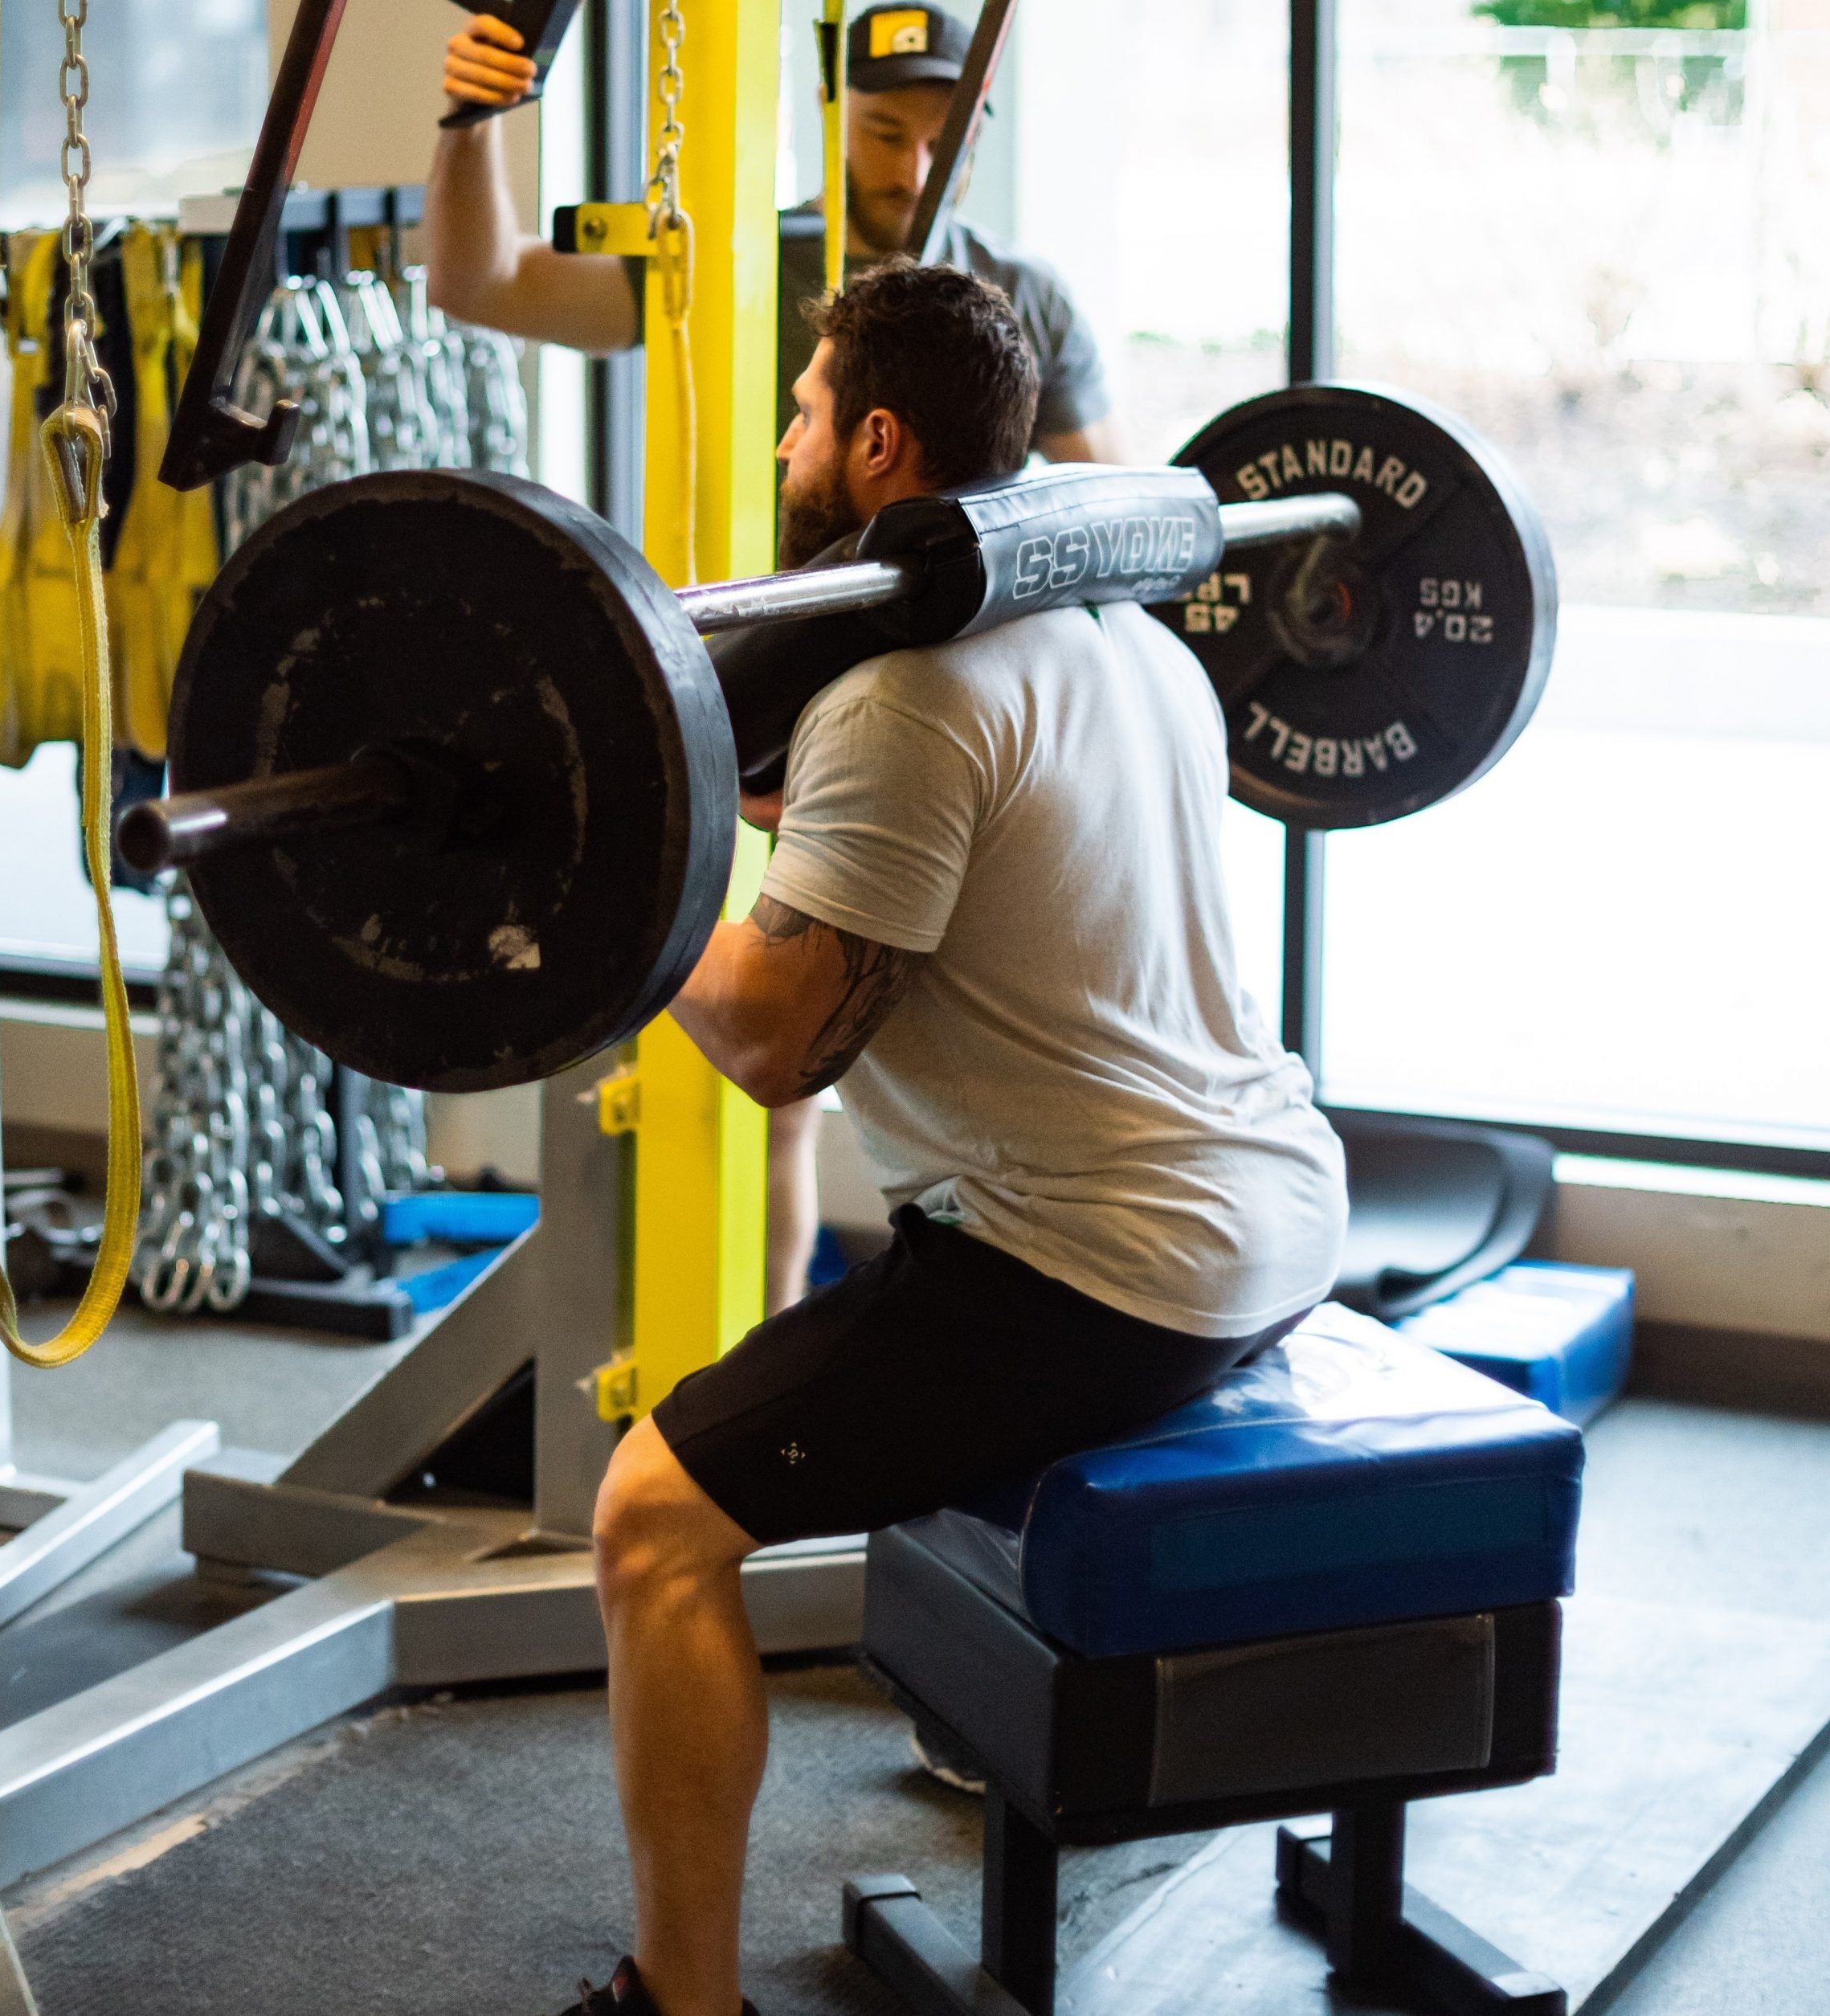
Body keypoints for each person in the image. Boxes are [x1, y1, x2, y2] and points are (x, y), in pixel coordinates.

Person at [552, 261, 1349, 2016]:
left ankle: (680, 2000)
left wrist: (639, 870)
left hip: (1091, 1260)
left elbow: (769, 1036)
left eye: (804, 409)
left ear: (879, 441)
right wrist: (751, 796)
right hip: (1275, 1207)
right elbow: (939, 836)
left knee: (650, 1519)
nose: (784, 435)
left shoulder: (910, 704)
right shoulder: (1129, 649)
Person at [427, 3, 1128, 1313]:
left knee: (807, 1092)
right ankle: (712, 1390)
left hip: (902, 740)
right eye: (881, 132)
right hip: (713, 715)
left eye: (942, 135)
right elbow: (483, 283)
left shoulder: (1023, 302)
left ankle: (777, 1391)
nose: (911, 170)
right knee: (726, 1082)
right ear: (827, 114)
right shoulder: (745, 259)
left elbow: (1103, 544)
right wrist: (472, 126)